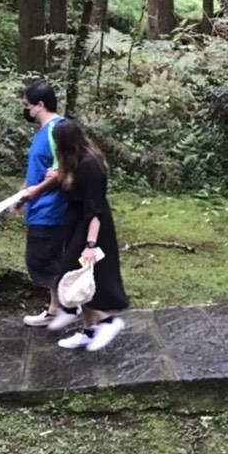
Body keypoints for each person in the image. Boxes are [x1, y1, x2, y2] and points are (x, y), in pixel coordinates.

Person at [49, 119, 129, 351]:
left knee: (71, 274)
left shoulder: (89, 165)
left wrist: (91, 244)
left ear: (64, 143)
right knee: (83, 280)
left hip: (92, 230)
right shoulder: (76, 161)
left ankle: (107, 321)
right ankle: (89, 330)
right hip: (78, 226)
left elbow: (94, 210)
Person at [13, 82, 79, 331]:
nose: (26, 111)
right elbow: (40, 169)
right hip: (37, 206)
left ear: (40, 105)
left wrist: (36, 192)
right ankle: (57, 309)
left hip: (52, 209)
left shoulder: (58, 130)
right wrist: (22, 195)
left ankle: (71, 305)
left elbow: (62, 170)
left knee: (43, 260)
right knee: (48, 259)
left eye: (27, 106)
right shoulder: (42, 131)